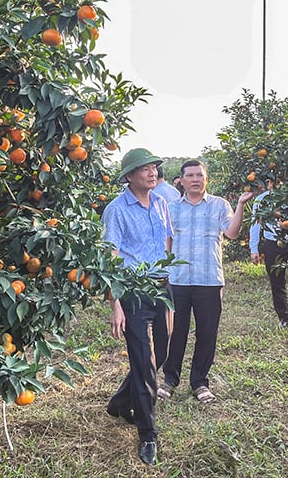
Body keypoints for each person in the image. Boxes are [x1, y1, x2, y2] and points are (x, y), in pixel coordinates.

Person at [159, 159, 253, 404]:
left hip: (209, 279)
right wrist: (165, 270)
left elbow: (231, 233)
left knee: (207, 333)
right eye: (190, 175)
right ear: (181, 180)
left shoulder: (219, 205)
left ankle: (200, 382)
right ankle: (169, 380)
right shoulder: (171, 207)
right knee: (175, 332)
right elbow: (167, 242)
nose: (195, 179)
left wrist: (241, 205)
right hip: (178, 280)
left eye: (199, 175)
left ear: (206, 179)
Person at [101, 147, 173, 466]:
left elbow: (166, 244)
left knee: (164, 354)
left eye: (154, 167)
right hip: (133, 292)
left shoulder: (160, 203)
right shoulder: (116, 210)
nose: (152, 171)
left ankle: (118, 402)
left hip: (162, 287)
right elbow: (109, 259)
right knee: (144, 363)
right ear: (129, 176)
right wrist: (115, 303)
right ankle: (147, 433)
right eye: (144, 168)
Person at [249, 182, 288, 329]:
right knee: (276, 281)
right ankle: (284, 317)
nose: (273, 184)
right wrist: (254, 248)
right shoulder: (262, 200)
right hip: (272, 244)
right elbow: (255, 223)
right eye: (270, 180)